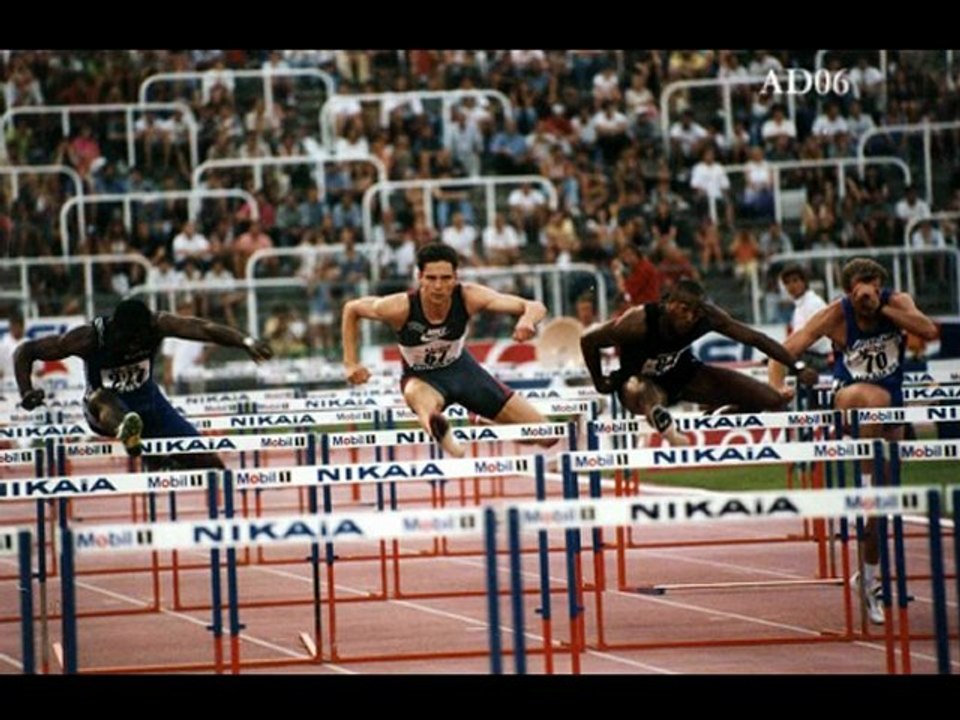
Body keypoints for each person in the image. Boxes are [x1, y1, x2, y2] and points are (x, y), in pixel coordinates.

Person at [768, 258, 938, 624]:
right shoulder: (835, 314)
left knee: (883, 505)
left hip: (892, 407)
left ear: (880, 285)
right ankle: (864, 486)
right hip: (849, 398)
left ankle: (869, 579)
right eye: (860, 286)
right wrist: (776, 387)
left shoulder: (898, 302)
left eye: (873, 284)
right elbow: (785, 349)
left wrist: (885, 310)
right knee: (870, 400)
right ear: (848, 290)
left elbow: (928, 331)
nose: (867, 292)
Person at [341, 242, 555, 458]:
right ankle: (439, 429)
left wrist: (527, 321)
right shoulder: (400, 307)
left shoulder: (469, 296)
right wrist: (350, 362)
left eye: (445, 279)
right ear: (420, 278)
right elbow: (352, 309)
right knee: (419, 399)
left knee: (547, 436)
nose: (438, 286)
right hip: (422, 378)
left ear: (455, 278)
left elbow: (535, 306)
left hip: (463, 372)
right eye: (431, 278)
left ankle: (483, 422)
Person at [14, 298, 273, 468]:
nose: (134, 346)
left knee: (214, 469)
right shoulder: (89, 338)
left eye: (139, 340)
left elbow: (202, 328)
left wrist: (246, 342)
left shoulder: (156, 324)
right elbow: (25, 351)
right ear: (116, 330)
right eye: (128, 340)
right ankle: (130, 435)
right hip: (105, 412)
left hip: (151, 406)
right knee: (102, 397)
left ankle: (151, 450)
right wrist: (26, 390)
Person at [580, 278, 819, 446]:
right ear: (669, 305)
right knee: (641, 389)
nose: (690, 317)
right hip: (637, 382)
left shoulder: (707, 316)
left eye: (695, 311)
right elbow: (588, 340)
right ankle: (666, 426)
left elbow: (756, 338)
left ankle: (722, 410)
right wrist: (600, 382)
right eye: (684, 310)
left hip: (684, 374)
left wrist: (797, 367)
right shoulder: (638, 321)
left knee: (772, 399)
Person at [779, 264, 832, 374]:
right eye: (787, 283)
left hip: (818, 358)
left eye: (795, 281)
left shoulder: (813, 303)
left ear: (804, 282)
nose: (792, 286)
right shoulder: (799, 307)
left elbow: (815, 338)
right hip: (807, 356)